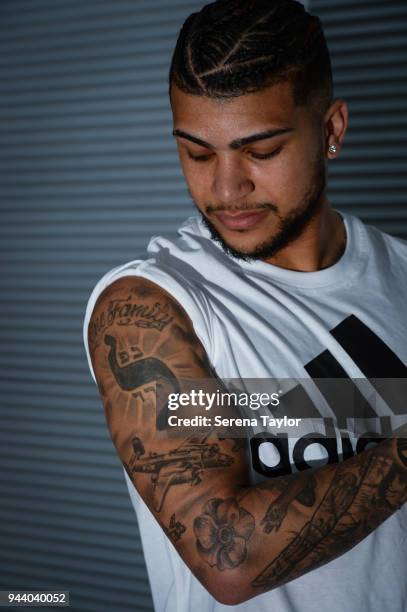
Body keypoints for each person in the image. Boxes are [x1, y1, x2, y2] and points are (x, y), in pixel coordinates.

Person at [83, 1, 407, 610]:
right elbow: (227, 557)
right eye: (198, 154)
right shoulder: (153, 306)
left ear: (332, 130)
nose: (227, 188)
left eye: (260, 151)